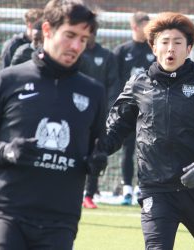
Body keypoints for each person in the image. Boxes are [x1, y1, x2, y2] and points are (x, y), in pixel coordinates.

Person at [91, 12, 194, 250]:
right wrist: (95, 149)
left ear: (188, 49)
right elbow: (114, 130)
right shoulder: (138, 85)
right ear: (153, 47)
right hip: (156, 189)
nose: (170, 49)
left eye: (177, 43)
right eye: (164, 42)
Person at [0, 1, 106, 249]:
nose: (76, 46)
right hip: (7, 211)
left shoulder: (93, 92)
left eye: (83, 39)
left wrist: (96, 159)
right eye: (70, 35)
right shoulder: (8, 80)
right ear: (47, 30)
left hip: (61, 219)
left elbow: (97, 145)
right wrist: (7, 151)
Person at [113, 11, 156, 205]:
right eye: (145, 27)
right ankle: (127, 191)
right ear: (135, 27)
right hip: (128, 109)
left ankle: (143, 189)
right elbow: (114, 81)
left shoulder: (154, 51)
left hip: (149, 110)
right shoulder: (122, 51)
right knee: (127, 149)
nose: (148, 31)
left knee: (146, 150)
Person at [79, 23, 120, 209]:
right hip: (77, 110)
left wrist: (109, 110)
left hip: (99, 113)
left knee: (96, 152)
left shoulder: (107, 56)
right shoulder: (76, 54)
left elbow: (113, 85)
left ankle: (89, 194)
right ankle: (73, 189)